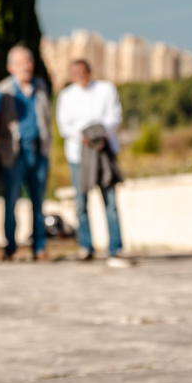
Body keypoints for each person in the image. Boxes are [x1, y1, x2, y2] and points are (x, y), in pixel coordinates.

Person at [55, 59, 130, 267]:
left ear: (89, 71)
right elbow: (64, 126)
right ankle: (85, 246)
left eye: (82, 71)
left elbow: (115, 117)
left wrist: (99, 133)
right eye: (75, 72)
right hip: (78, 156)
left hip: (103, 153)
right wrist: (83, 135)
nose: (79, 75)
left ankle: (116, 247)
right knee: (81, 202)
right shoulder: (66, 96)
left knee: (110, 202)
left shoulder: (106, 89)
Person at [0, 45, 52, 261]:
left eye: (28, 61)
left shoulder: (41, 86)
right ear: (10, 67)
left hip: (39, 151)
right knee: (11, 202)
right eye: (20, 62)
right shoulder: (3, 90)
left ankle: (39, 247)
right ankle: (10, 247)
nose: (26, 66)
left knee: (38, 202)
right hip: (14, 154)